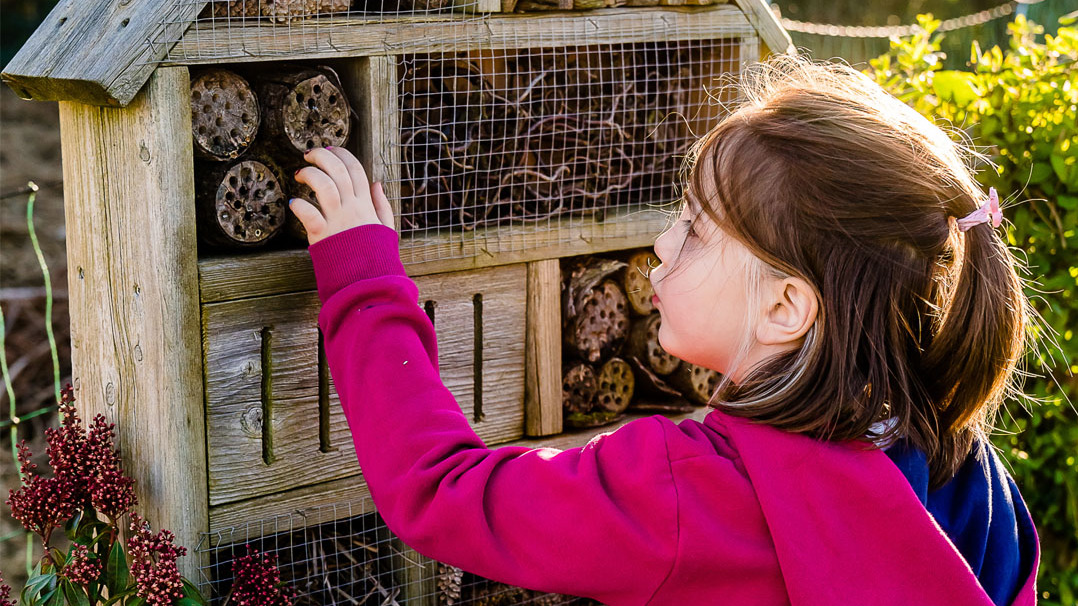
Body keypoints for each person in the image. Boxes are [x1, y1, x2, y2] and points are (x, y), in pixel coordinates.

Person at [289, 56, 1039, 605]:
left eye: (694, 226)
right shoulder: (968, 471)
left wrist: (363, 278)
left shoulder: (681, 491)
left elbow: (444, 492)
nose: (662, 245)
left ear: (785, 307)